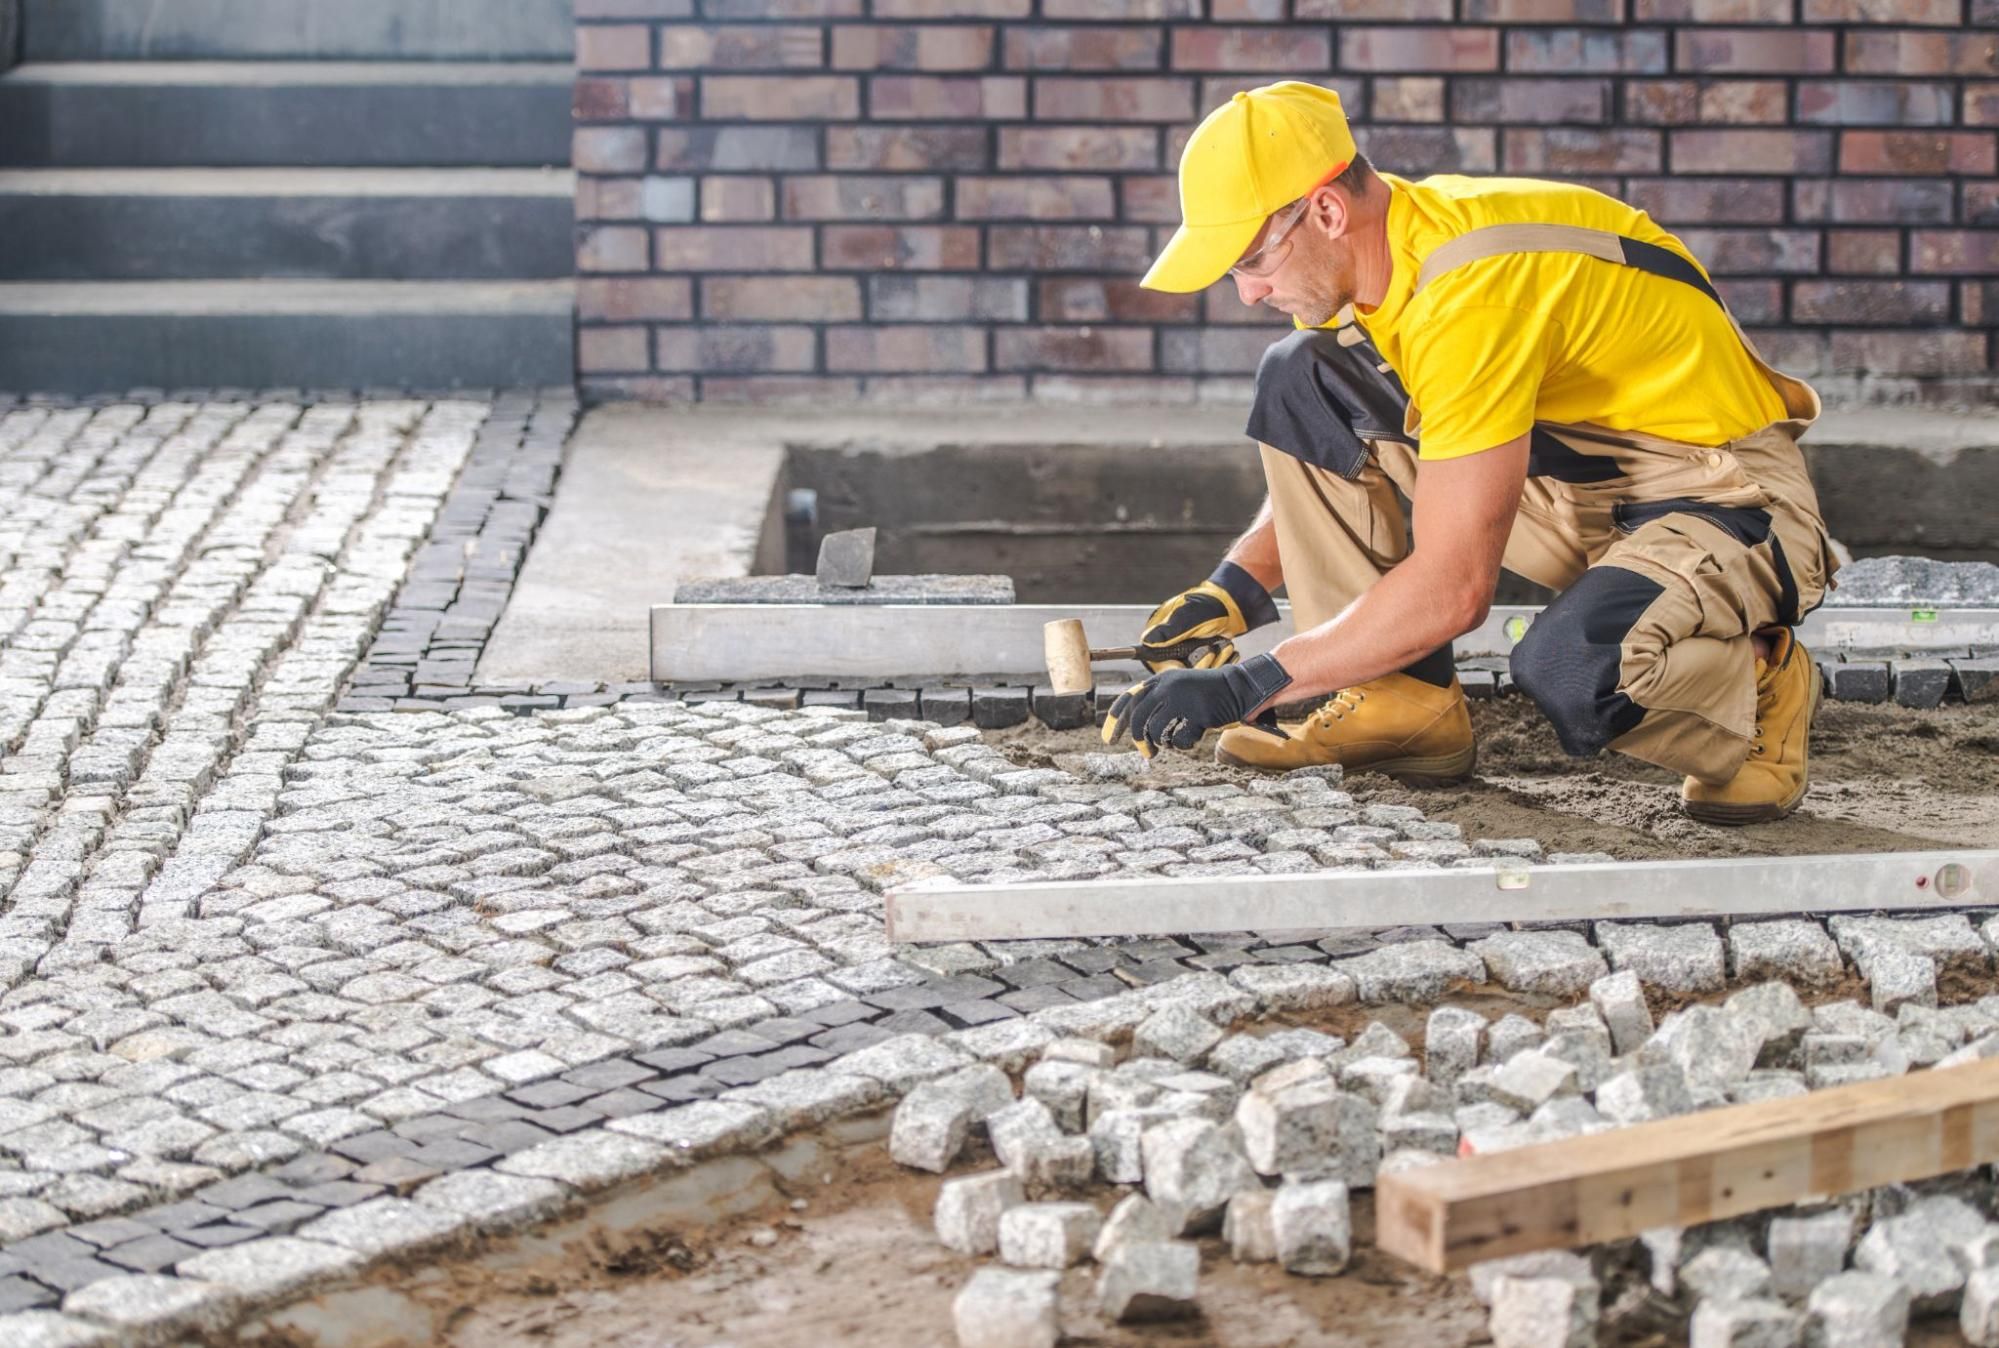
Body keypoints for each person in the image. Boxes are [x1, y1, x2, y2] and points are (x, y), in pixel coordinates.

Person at [1101, 80, 1835, 826]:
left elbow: (1454, 591)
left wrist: (1248, 684)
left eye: (1249, 259)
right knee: (1304, 375)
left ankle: (1759, 688)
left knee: (1572, 670)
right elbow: (1363, 442)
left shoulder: (1473, 295)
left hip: (1724, 500)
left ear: (1324, 209)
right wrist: (1233, 591)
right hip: (1574, 475)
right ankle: (1399, 701)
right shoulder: (1400, 251)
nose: (1248, 292)